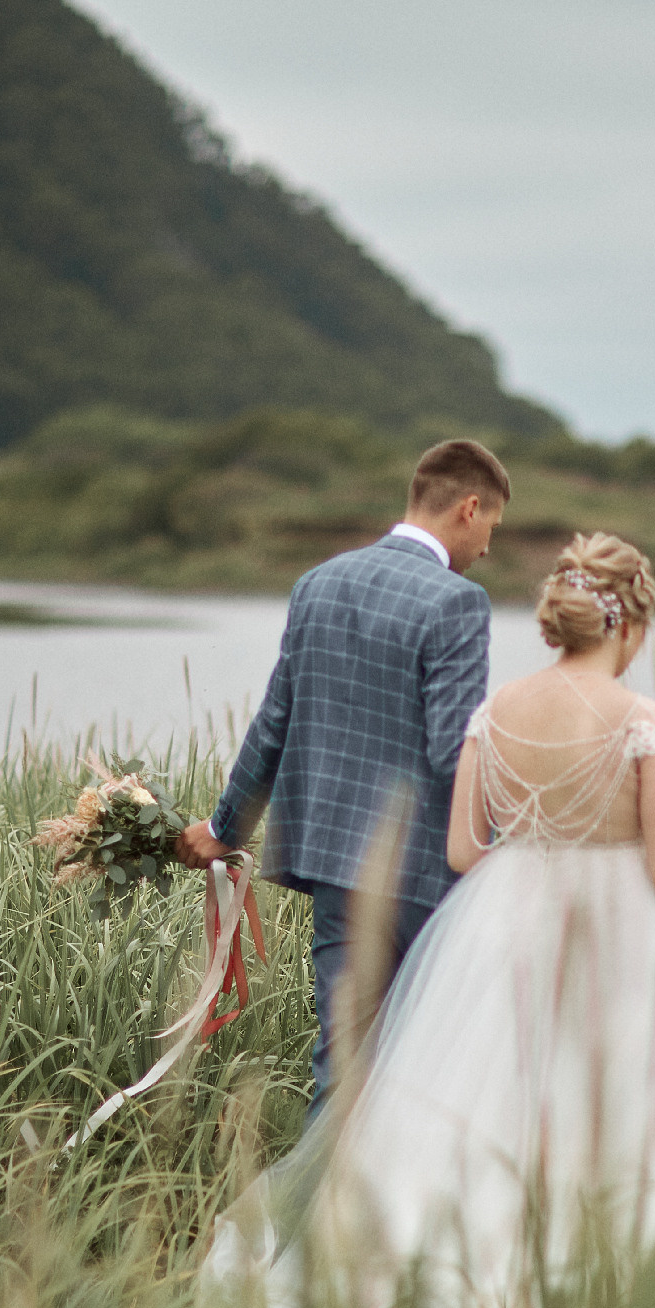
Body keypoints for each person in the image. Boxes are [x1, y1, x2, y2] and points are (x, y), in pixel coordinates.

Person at [205, 533, 655, 1308]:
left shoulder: (497, 711)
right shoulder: (644, 722)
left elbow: (462, 854)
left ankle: (470, 1276)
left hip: (506, 927)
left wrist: (533, 869)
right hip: (624, 936)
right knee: (628, 1103)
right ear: (631, 624)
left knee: (509, 1104)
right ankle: (618, 1285)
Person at [176, 438, 507, 1115]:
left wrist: (222, 827)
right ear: (469, 509)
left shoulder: (318, 582)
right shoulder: (458, 603)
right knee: (437, 1069)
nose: (489, 548)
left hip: (335, 865)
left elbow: (275, 721)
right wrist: (510, 844)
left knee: (344, 1064)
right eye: (492, 528)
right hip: (426, 875)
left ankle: (321, 1219)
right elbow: (455, 752)